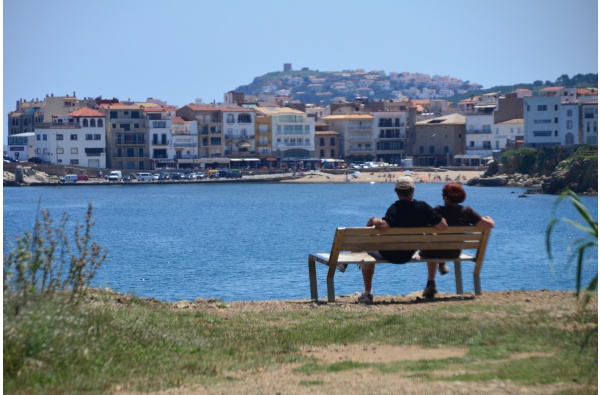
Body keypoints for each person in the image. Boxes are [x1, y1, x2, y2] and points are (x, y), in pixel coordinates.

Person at [357, 176, 448, 304]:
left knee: (365, 251)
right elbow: (443, 226)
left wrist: (373, 220)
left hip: (389, 254)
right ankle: (430, 283)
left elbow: (384, 226)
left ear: (396, 192)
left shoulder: (395, 208)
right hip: (409, 253)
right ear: (413, 190)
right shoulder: (423, 207)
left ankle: (367, 293)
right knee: (429, 244)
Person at [420, 183, 495, 298]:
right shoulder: (467, 212)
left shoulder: (438, 210)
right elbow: (489, 225)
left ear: (445, 197)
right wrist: (488, 218)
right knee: (439, 245)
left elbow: (425, 227)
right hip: (454, 252)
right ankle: (442, 264)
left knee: (432, 245)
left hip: (433, 252)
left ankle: (431, 282)